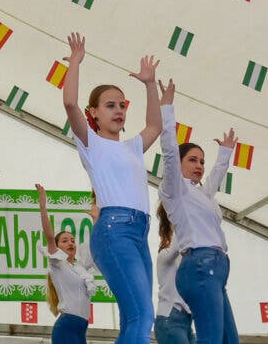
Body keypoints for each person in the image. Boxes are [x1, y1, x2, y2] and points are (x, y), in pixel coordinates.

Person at [62, 32, 162, 343]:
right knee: (141, 315)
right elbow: (69, 102)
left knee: (140, 317)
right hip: (113, 229)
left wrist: (149, 85)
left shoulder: (132, 146)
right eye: (109, 105)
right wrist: (76, 62)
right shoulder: (91, 143)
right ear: (93, 113)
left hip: (139, 233)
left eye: (122, 105)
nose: (119, 110)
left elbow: (155, 126)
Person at [157, 79, 238, 343]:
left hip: (217, 269)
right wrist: (167, 110)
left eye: (202, 161)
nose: (200, 165)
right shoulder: (175, 190)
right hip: (201, 266)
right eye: (192, 159)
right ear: (177, 165)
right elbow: (169, 151)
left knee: (229, 340)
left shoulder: (201, 195)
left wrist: (224, 153)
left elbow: (214, 179)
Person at [36, 184, 96, 344]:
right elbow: (49, 235)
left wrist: (96, 220)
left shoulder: (80, 266)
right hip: (66, 327)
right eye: (64, 240)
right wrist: (43, 206)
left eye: (73, 240)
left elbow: (95, 245)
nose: (70, 243)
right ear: (57, 247)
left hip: (81, 328)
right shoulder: (58, 264)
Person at [154, 204, 194, 344]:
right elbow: (177, 244)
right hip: (169, 318)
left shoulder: (186, 256)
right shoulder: (164, 255)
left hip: (187, 320)